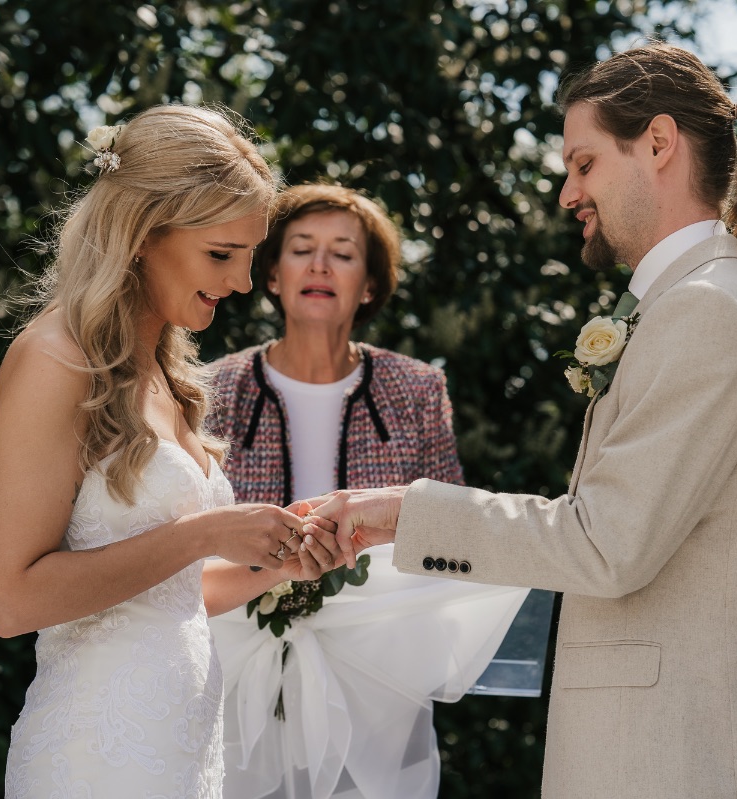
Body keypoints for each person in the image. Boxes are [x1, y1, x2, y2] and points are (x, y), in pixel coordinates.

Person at [313, 42, 737, 798]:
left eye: (583, 164)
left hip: (678, 763)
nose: (566, 192)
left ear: (657, 143)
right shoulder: (706, 303)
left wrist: (403, 512)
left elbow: (605, 543)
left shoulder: (708, 312)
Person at [0, 105, 344, 799]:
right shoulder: (56, 359)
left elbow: (170, 595)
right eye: (221, 254)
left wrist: (281, 560)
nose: (241, 283)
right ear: (144, 232)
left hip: (180, 756)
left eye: (249, 256)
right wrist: (207, 532)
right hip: (95, 759)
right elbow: (9, 599)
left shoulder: (162, 373)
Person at [204, 183, 528, 799]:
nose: (320, 265)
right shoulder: (216, 389)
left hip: (381, 677)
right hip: (240, 670)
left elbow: (449, 525)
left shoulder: (417, 390)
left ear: (370, 284)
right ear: (272, 274)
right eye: (302, 249)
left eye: (343, 254)